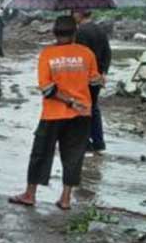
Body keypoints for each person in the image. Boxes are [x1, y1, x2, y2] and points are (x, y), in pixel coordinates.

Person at [10, 16, 102, 211]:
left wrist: (68, 101)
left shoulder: (47, 54)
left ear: (54, 33)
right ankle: (65, 198)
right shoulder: (87, 53)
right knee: (74, 155)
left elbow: (47, 89)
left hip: (53, 114)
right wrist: (82, 98)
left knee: (41, 153)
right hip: (82, 113)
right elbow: (95, 82)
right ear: (75, 33)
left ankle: (30, 194)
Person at [73, 9, 111, 153]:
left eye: (74, 12)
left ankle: (85, 142)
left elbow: (80, 56)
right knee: (93, 107)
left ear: (79, 13)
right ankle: (99, 142)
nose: (72, 15)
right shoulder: (100, 29)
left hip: (85, 76)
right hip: (97, 76)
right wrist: (104, 72)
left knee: (81, 107)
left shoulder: (80, 32)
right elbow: (107, 52)